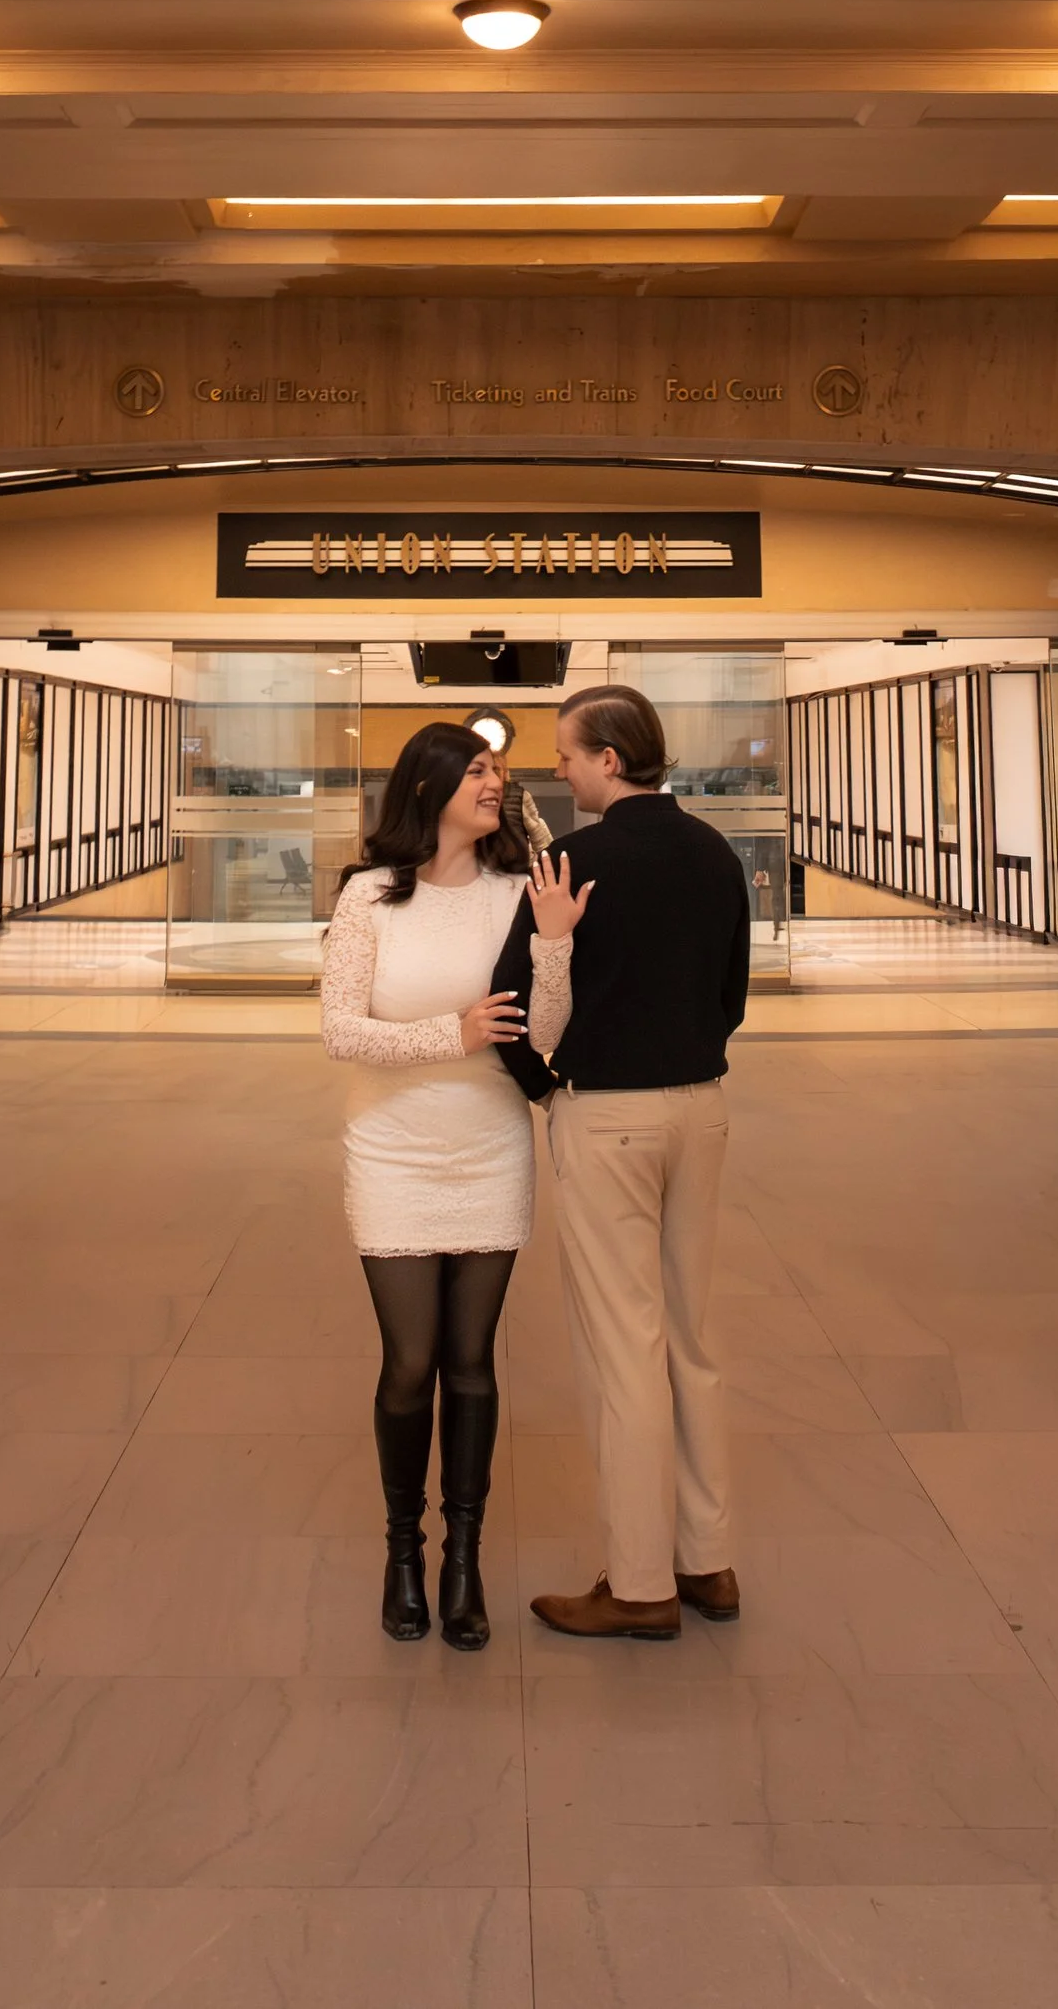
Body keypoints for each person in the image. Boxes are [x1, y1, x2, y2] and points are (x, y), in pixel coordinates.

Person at [490, 680, 751, 1641]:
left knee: (623, 1350)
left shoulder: (573, 860)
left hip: (608, 1119)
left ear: (608, 758)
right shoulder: (716, 853)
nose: (558, 771)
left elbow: (512, 1000)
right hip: (703, 1111)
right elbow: (731, 997)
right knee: (693, 1338)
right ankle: (707, 1562)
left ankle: (639, 1585)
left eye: (566, 755)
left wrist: (540, 1085)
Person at [319, 722, 576, 1648]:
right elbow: (342, 1031)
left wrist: (551, 945)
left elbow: (540, 1032)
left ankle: (461, 1558)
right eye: (478, 770)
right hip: (391, 1149)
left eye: (497, 768)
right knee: (409, 1363)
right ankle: (402, 1550)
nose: (496, 782)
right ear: (427, 788)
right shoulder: (368, 899)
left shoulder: (517, 893)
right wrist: (450, 1036)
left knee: (473, 1363)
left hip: (490, 1146)